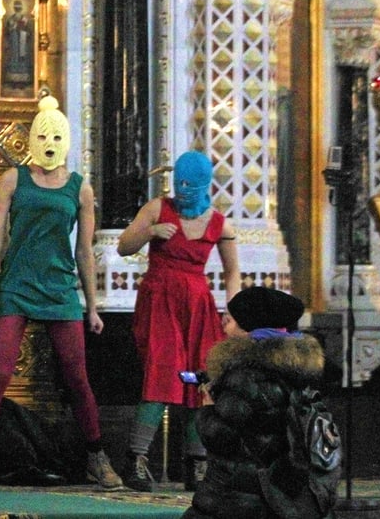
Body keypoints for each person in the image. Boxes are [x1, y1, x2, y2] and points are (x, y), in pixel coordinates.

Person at [0, 96, 123, 494]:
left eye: (56, 135)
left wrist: (93, 306)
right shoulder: (13, 179)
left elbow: (84, 250)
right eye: (43, 134)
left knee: (77, 376)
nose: (49, 141)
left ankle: (97, 457)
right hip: (16, 285)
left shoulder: (78, 188)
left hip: (58, 288)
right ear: (32, 137)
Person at [116, 150, 241, 492]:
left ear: (204, 184)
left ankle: (197, 464)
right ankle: (136, 457)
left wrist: (234, 311)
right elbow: (124, 246)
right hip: (160, 300)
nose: (183, 189)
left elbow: (232, 273)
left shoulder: (219, 223)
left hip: (197, 304)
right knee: (162, 373)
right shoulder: (158, 208)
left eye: (191, 184)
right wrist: (151, 232)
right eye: (179, 182)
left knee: (198, 379)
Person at [183, 287, 339, 518]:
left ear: (248, 326)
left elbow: (224, 439)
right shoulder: (305, 369)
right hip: (293, 494)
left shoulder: (244, 374)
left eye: (230, 319)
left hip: (243, 496)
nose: (224, 326)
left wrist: (208, 410)